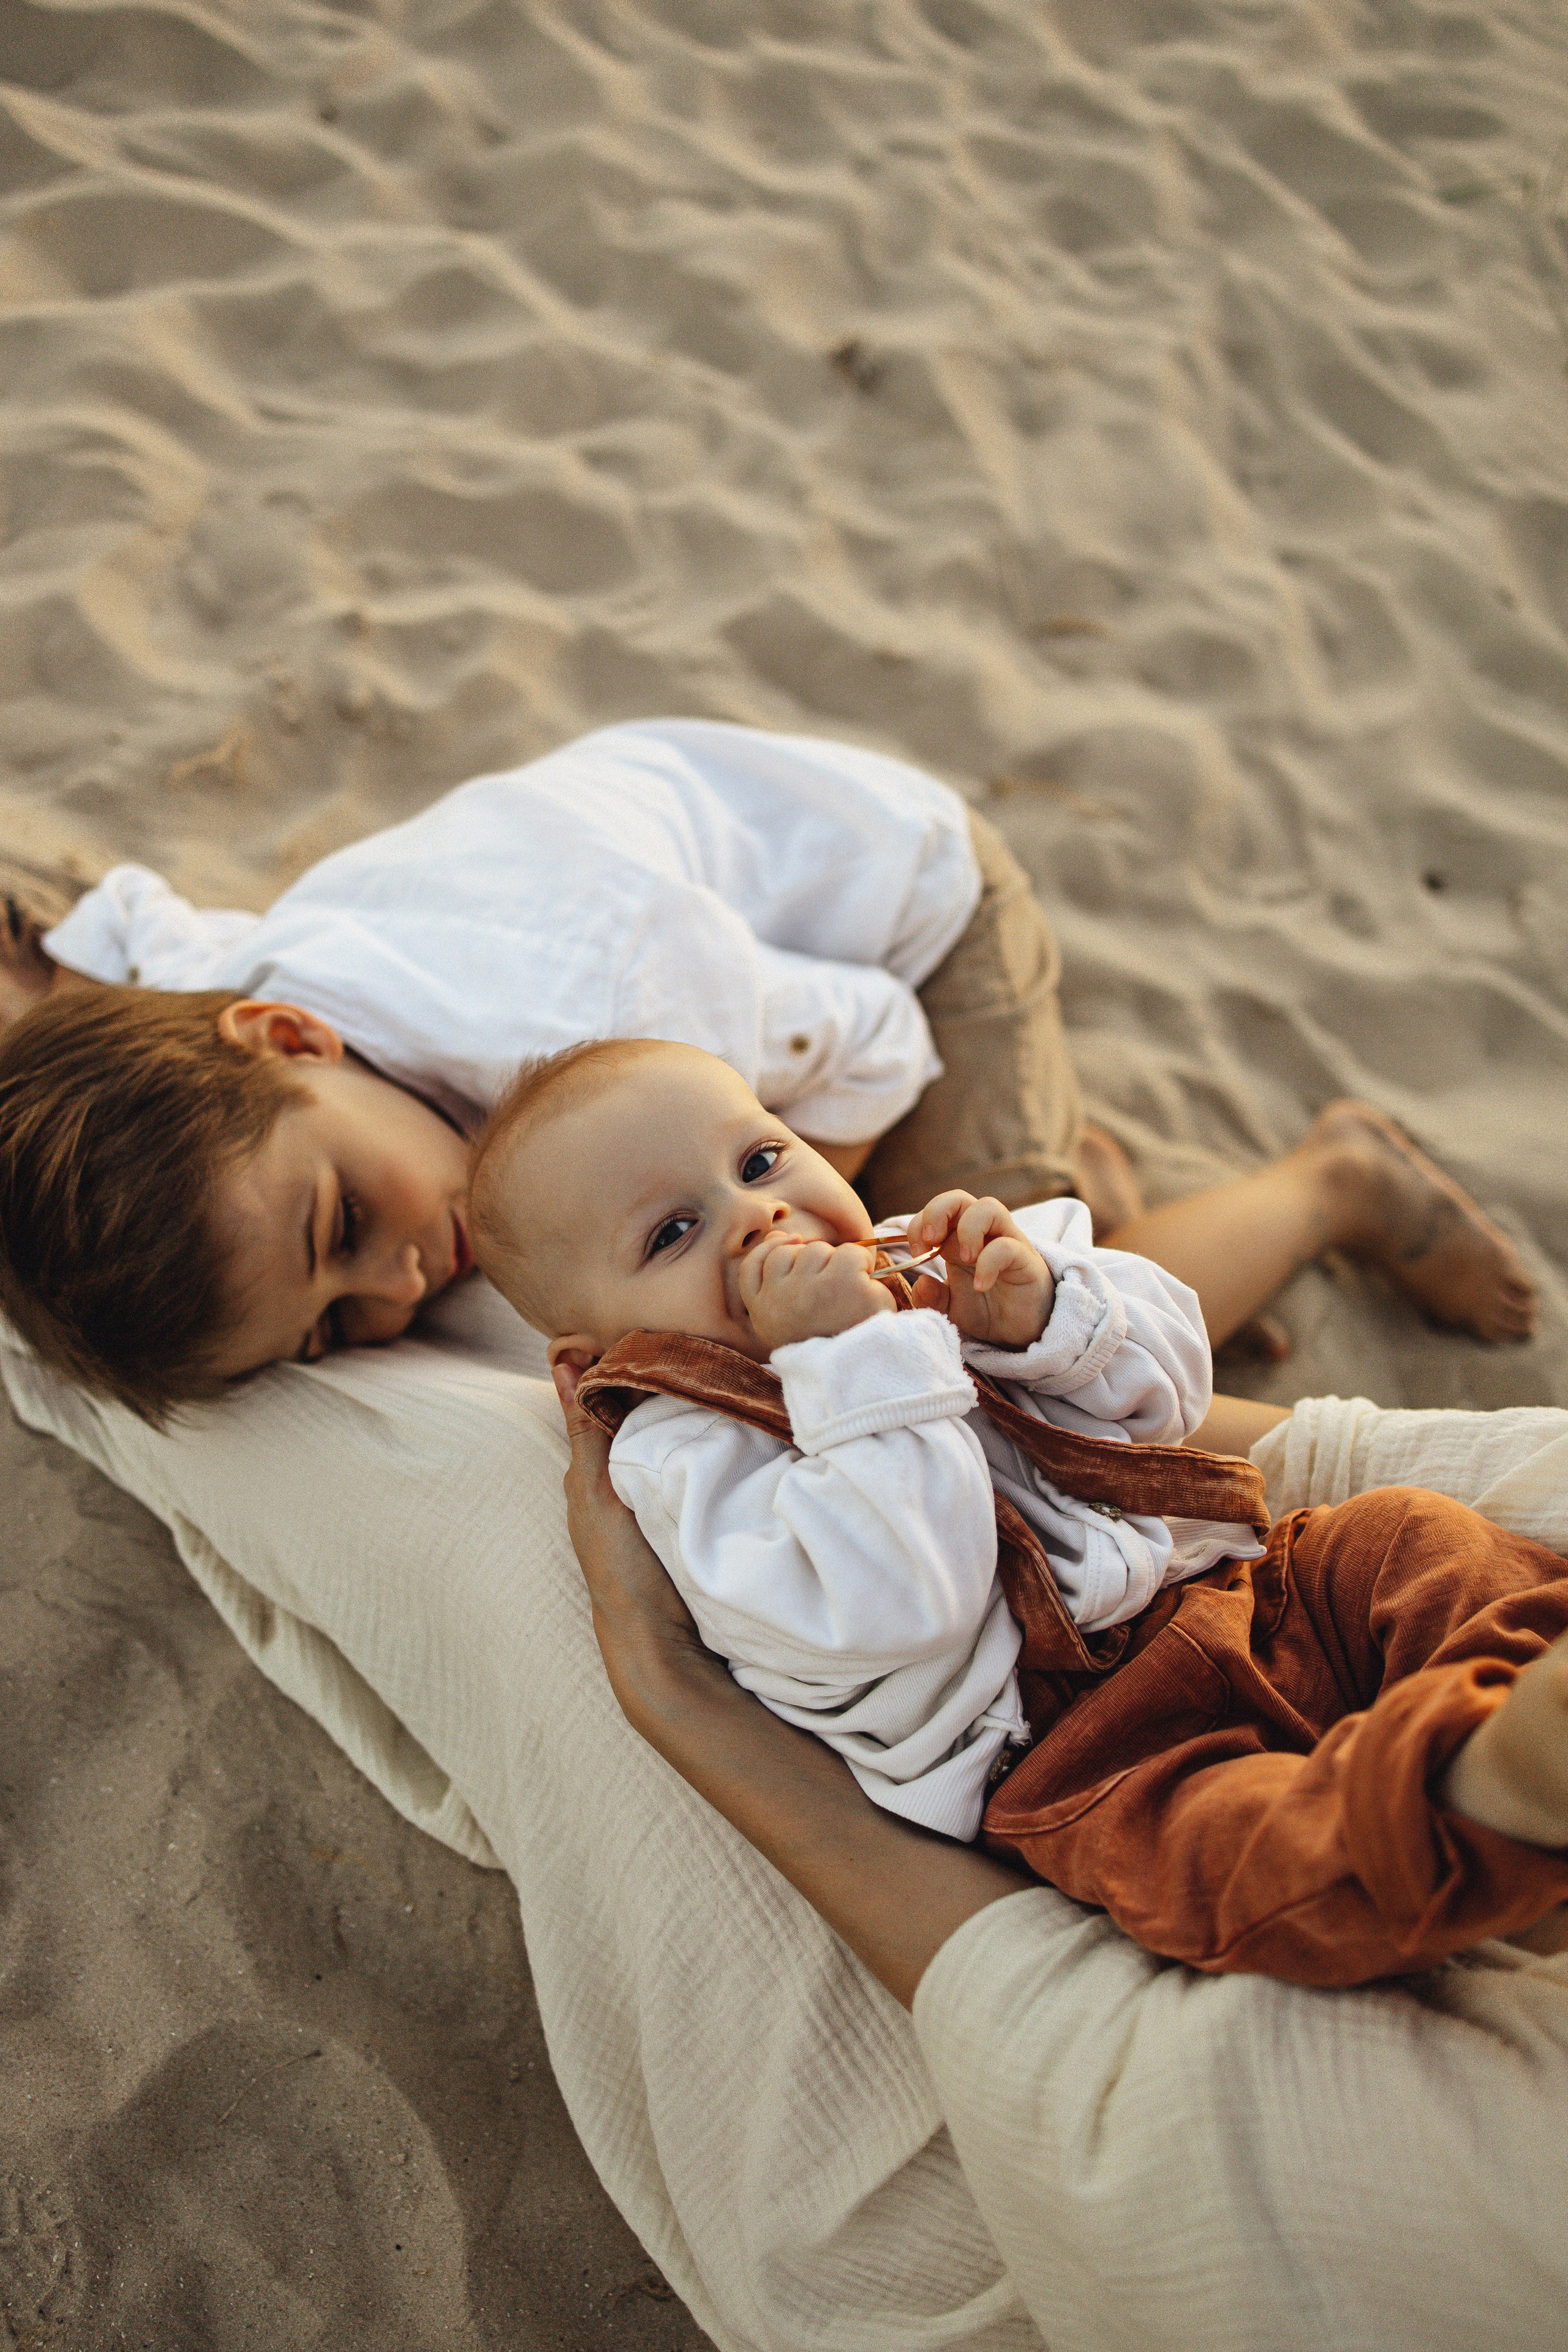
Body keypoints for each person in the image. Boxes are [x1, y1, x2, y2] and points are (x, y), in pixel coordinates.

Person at [0, 720, 1535, 1422]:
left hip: (909, 929)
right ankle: (1094, 1164)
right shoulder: (222, 1033)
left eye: (343, 1228)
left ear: (286, 1035)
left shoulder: (599, 998)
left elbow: (877, 1039)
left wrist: (797, 1233)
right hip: (743, 948)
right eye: (335, 1330)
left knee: (976, 1334)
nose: (400, 1283)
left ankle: (1334, 1182)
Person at [466, 1035, 1568, 1985]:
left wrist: (1046, 1315)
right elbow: (909, 1599)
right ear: (591, 1362)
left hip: (1236, 1589)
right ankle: (1483, 1795)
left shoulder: (915, 1259)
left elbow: (1172, 1397)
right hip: (1078, 1754)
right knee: (1225, 1864)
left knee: (1406, 1539)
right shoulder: (688, 1459)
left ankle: (1526, 1677)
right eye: (671, 1235)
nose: (759, 1217)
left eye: (760, 1160)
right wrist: (851, 1357)